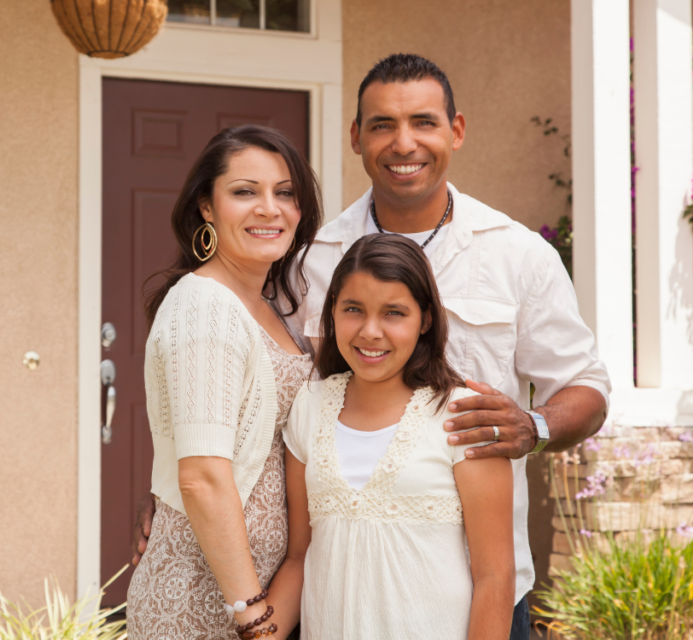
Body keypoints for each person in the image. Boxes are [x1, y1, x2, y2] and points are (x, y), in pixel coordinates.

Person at [133, 54, 611, 640]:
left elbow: (587, 385)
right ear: (356, 137)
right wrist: (180, 489)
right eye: (382, 124)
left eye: (424, 122)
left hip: (484, 585)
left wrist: (531, 425)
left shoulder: (517, 254)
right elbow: (242, 391)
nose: (403, 142)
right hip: (332, 586)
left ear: (455, 130)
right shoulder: (306, 259)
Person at [125, 124, 323, 639]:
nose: (269, 208)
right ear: (205, 208)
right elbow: (202, 477)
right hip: (203, 598)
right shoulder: (204, 306)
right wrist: (254, 616)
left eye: (285, 193)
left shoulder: (272, 307)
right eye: (244, 192)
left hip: (255, 597)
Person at [276, 233, 514, 639]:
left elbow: (495, 576)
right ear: (332, 311)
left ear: (425, 319)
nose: (370, 331)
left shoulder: (462, 415)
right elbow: (299, 557)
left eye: (394, 313)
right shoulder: (309, 406)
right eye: (353, 309)